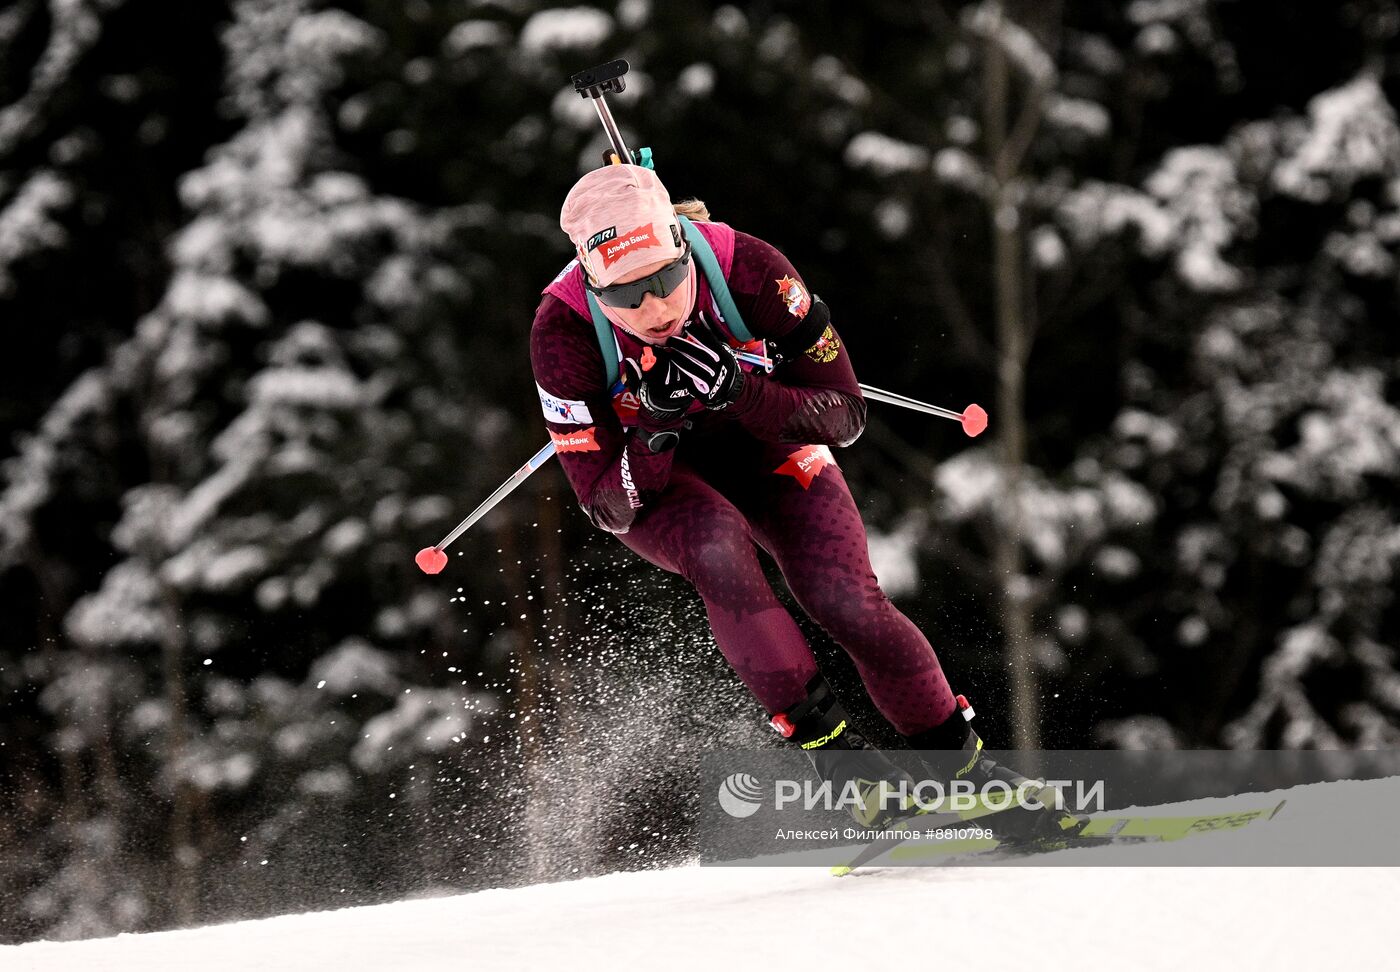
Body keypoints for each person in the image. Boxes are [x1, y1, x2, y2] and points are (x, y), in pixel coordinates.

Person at [530, 163, 1063, 833]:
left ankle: (969, 775)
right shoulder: (563, 333)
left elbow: (844, 414)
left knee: (845, 600)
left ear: (682, 241)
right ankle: (847, 771)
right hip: (662, 482)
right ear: (592, 284)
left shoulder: (749, 269)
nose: (657, 309)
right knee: (715, 544)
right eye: (629, 296)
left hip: (763, 439)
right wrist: (658, 425)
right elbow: (609, 506)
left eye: (668, 279)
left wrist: (741, 392)